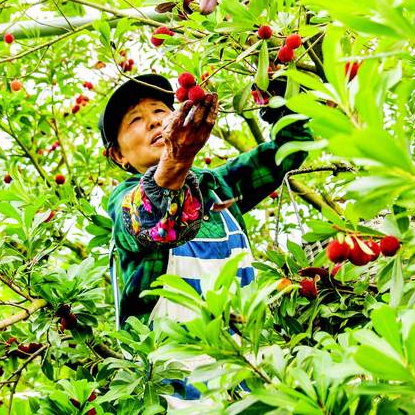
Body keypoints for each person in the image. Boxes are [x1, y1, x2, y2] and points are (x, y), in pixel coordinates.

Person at [99, 73, 311, 406]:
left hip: (253, 379)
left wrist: (275, 87)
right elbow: (150, 219)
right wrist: (176, 160)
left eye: (159, 111)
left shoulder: (218, 188)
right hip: (177, 397)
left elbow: (293, 147)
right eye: (136, 121)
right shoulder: (124, 201)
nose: (153, 123)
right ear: (118, 155)